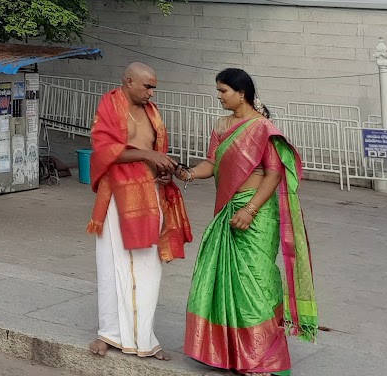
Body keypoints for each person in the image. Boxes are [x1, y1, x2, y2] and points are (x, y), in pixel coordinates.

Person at [178, 68, 317, 375]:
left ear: (241, 94)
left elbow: (274, 173)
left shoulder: (262, 128)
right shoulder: (221, 125)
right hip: (228, 210)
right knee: (221, 280)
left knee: (255, 280)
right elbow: (212, 163)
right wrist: (188, 173)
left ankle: (263, 355)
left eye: (223, 90)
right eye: (218, 90)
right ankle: (230, 352)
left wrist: (250, 209)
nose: (219, 96)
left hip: (256, 212)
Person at [86, 63, 192, 362]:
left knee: (147, 267)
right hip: (118, 196)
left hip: (149, 193)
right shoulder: (110, 104)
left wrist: (163, 171)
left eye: (153, 87)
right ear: (128, 81)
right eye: (147, 86)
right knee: (110, 266)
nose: (151, 92)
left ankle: (145, 338)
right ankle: (109, 333)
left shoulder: (152, 112)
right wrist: (149, 154)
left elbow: (157, 153)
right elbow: (103, 149)